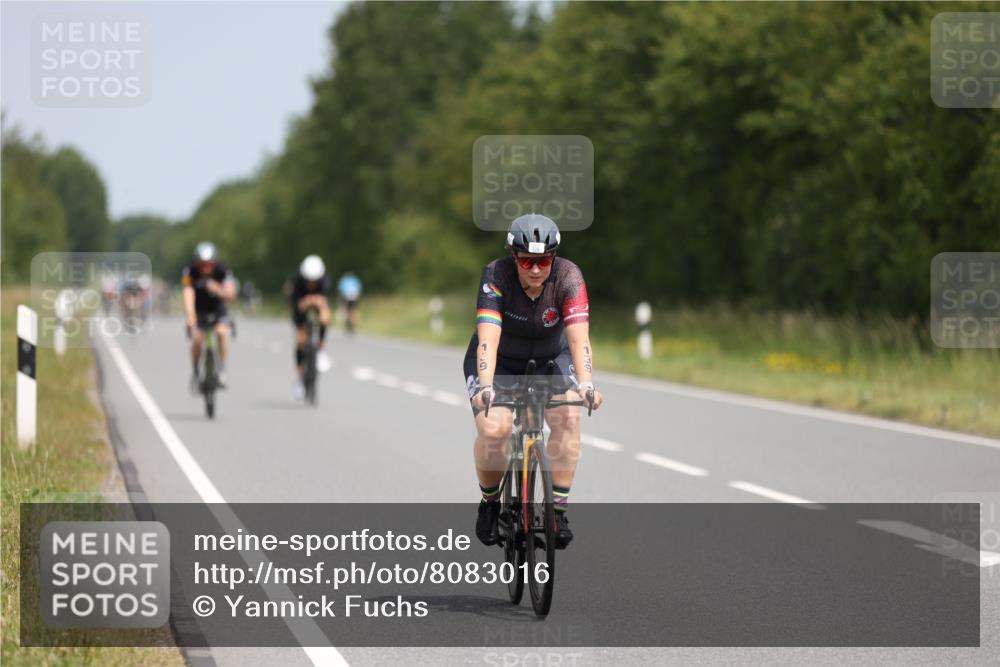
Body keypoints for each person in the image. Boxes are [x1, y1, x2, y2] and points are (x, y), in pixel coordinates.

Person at [464, 213, 603, 549]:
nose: (536, 269)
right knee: (494, 429)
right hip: (500, 362)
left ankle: (557, 510)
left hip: (552, 360)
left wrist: (586, 385)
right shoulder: (496, 275)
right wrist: (485, 387)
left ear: (553, 258)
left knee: (568, 416)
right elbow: (488, 339)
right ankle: (490, 502)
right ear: (514, 258)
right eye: (527, 261)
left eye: (543, 261)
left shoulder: (569, 277)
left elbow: (579, 340)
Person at [181, 242, 236, 389]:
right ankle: (195, 371)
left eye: (209, 264)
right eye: (203, 264)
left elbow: (231, 294)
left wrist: (218, 290)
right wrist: (190, 315)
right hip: (198, 309)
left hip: (217, 308)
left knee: (222, 333)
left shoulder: (223, 270)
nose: (206, 268)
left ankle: (222, 368)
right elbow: (188, 292)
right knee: (198, 339)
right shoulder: (190, 271)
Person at [289, 255, 332, 398]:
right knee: (301, 341)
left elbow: (324, 301)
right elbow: (296, 303)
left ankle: (321, 349)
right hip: (300, 307)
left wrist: (316, 302)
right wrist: (305, 303)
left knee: (325, 316)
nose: (311, 283)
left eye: (314, 281)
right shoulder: (297, 281)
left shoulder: (324, 280)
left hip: (319, 305)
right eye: (309, 280)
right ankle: (300, 378)